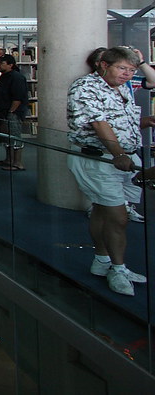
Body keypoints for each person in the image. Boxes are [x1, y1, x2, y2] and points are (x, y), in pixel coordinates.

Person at [67, 46, 155, 296]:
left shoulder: (120, 88)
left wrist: (143, 123)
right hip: (101, 160)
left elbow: (119, 122)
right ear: (103, 65)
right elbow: (99, 123)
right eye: (122, 68)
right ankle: (118, 267)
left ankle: (102, 260)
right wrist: (118, 154)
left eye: (131, 70)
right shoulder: (86, 87)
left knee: (103, 211)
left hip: (122, 159)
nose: (127, 74)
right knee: (118, 217)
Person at [0, 54, 29, 170]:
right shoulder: (4, 77)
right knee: (7, 137)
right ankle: (9, 160)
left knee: (14, 136)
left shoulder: (17, 78)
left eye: (1, 63)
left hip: (13, 113)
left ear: (10, 65)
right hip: (3, 112)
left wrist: (11, 112)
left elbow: (17, 98)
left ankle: (17, 163)